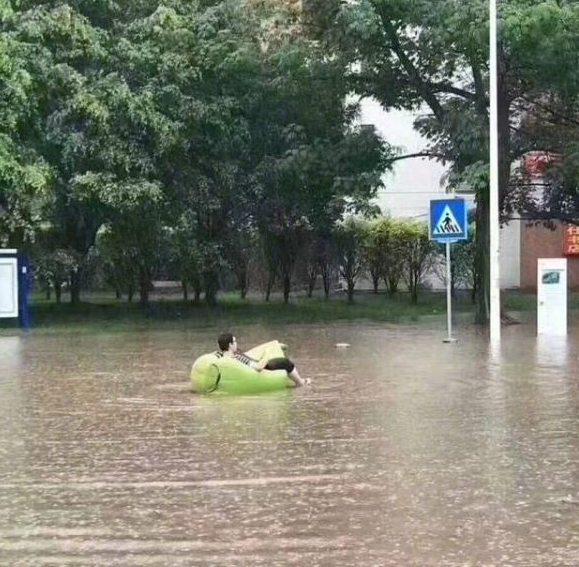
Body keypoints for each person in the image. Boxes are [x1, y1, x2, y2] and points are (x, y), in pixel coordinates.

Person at [216, 333, 310, 387]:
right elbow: (259, 368)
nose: (236, 344)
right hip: (262, 368)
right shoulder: (237, 358)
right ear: (230, 345)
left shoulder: (220, 358)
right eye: (235, 341)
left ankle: (278, 346)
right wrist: (268, 356)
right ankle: (300, 383)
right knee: (286, 362)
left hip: (251, 365)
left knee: (276, 352)